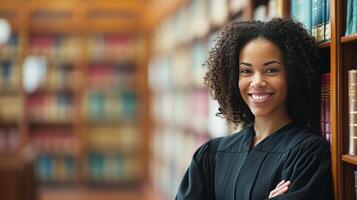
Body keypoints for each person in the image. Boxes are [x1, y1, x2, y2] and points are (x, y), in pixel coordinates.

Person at [175, 18, 333, 200]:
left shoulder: (307, 155)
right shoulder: (211, 155)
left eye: (271, 70)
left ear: (293, 75)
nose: (257, 82)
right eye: (246, 71)